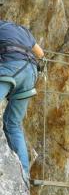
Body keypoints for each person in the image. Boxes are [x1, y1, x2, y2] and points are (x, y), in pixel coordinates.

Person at [0, 20, 44, 178]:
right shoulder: (22, 30)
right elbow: (40, 54)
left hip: (10, 68)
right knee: (13, 124)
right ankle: (24, 175)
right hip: (30, 74)